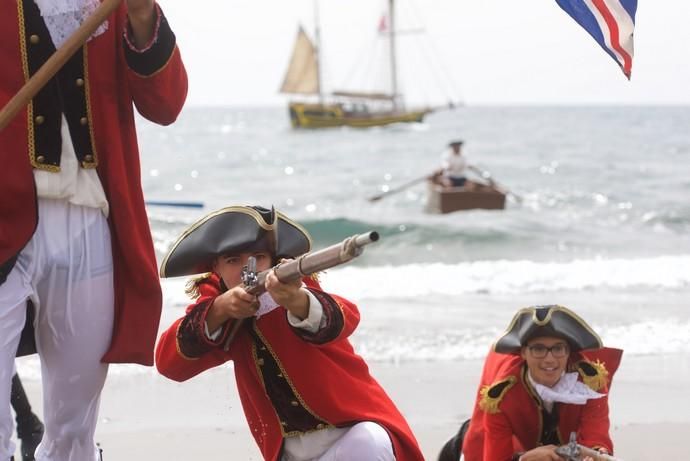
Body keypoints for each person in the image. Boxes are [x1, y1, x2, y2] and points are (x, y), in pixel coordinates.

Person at [0, 0, 188, 459]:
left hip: (91, 220)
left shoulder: (115, 4)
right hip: (3, 221)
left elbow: (165, 104)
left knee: (72, 430)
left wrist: (143, 15)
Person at [155, 205, 425, 461]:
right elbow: (170, 364)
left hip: (351, 436)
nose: (249, 268)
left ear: (273, 259)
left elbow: (344, 318)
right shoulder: (220, 312)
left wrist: (295, 300)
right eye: (233, 260)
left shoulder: (299, 293)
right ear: (216, 267)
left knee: (370, 442)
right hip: (288, 454)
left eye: (258, 257)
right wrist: (220, 310)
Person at [438, 305, 623, 461]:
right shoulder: (500, 395)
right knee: (477, 442)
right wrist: (523, 458)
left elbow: (597, 438)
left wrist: (595, 455)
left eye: (558, 348)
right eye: (538, 349)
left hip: (568, 439)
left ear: (569, 352)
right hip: (505, 433)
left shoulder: (592, 382)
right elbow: (495, 457)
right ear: (523, 353)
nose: (549, 359)